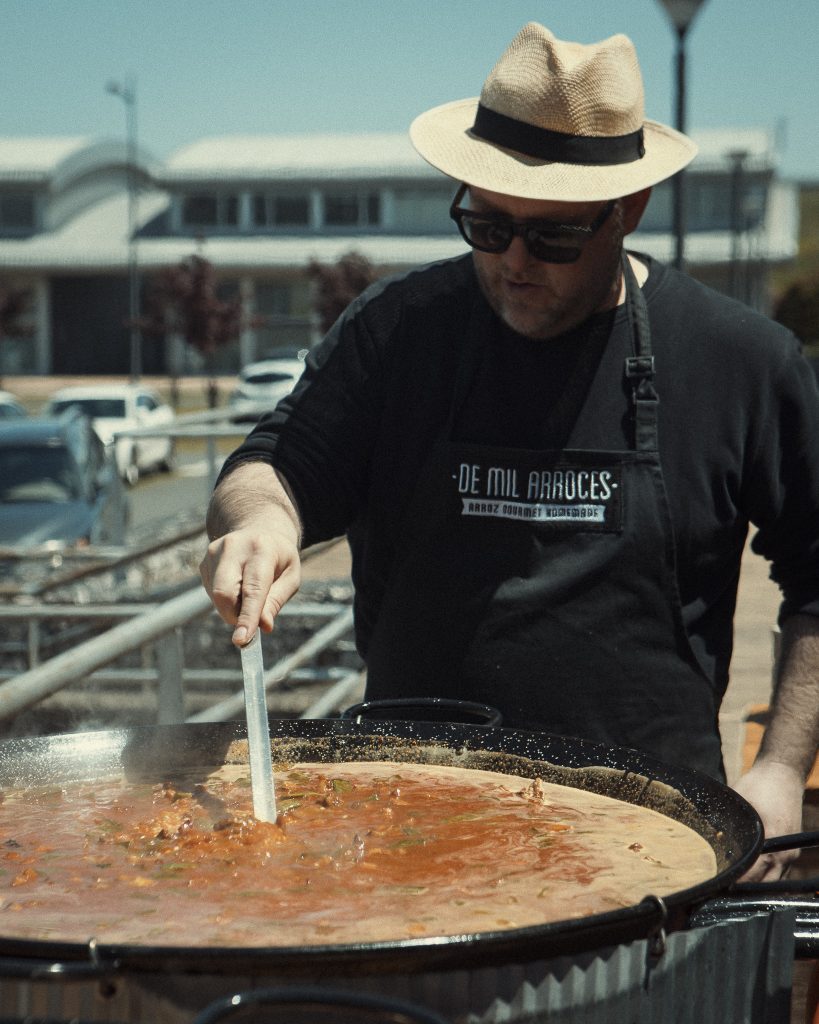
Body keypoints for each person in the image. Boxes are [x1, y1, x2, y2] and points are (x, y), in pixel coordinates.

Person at [200, 22, 819, 881]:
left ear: (627, 211)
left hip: (652, 834)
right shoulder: (396, 332)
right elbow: (270, 463)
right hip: (411, 817)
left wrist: (781, 769)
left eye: (554, 237)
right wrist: (260, 523)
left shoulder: (739, 360)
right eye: (487, 227)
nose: (515, 262)